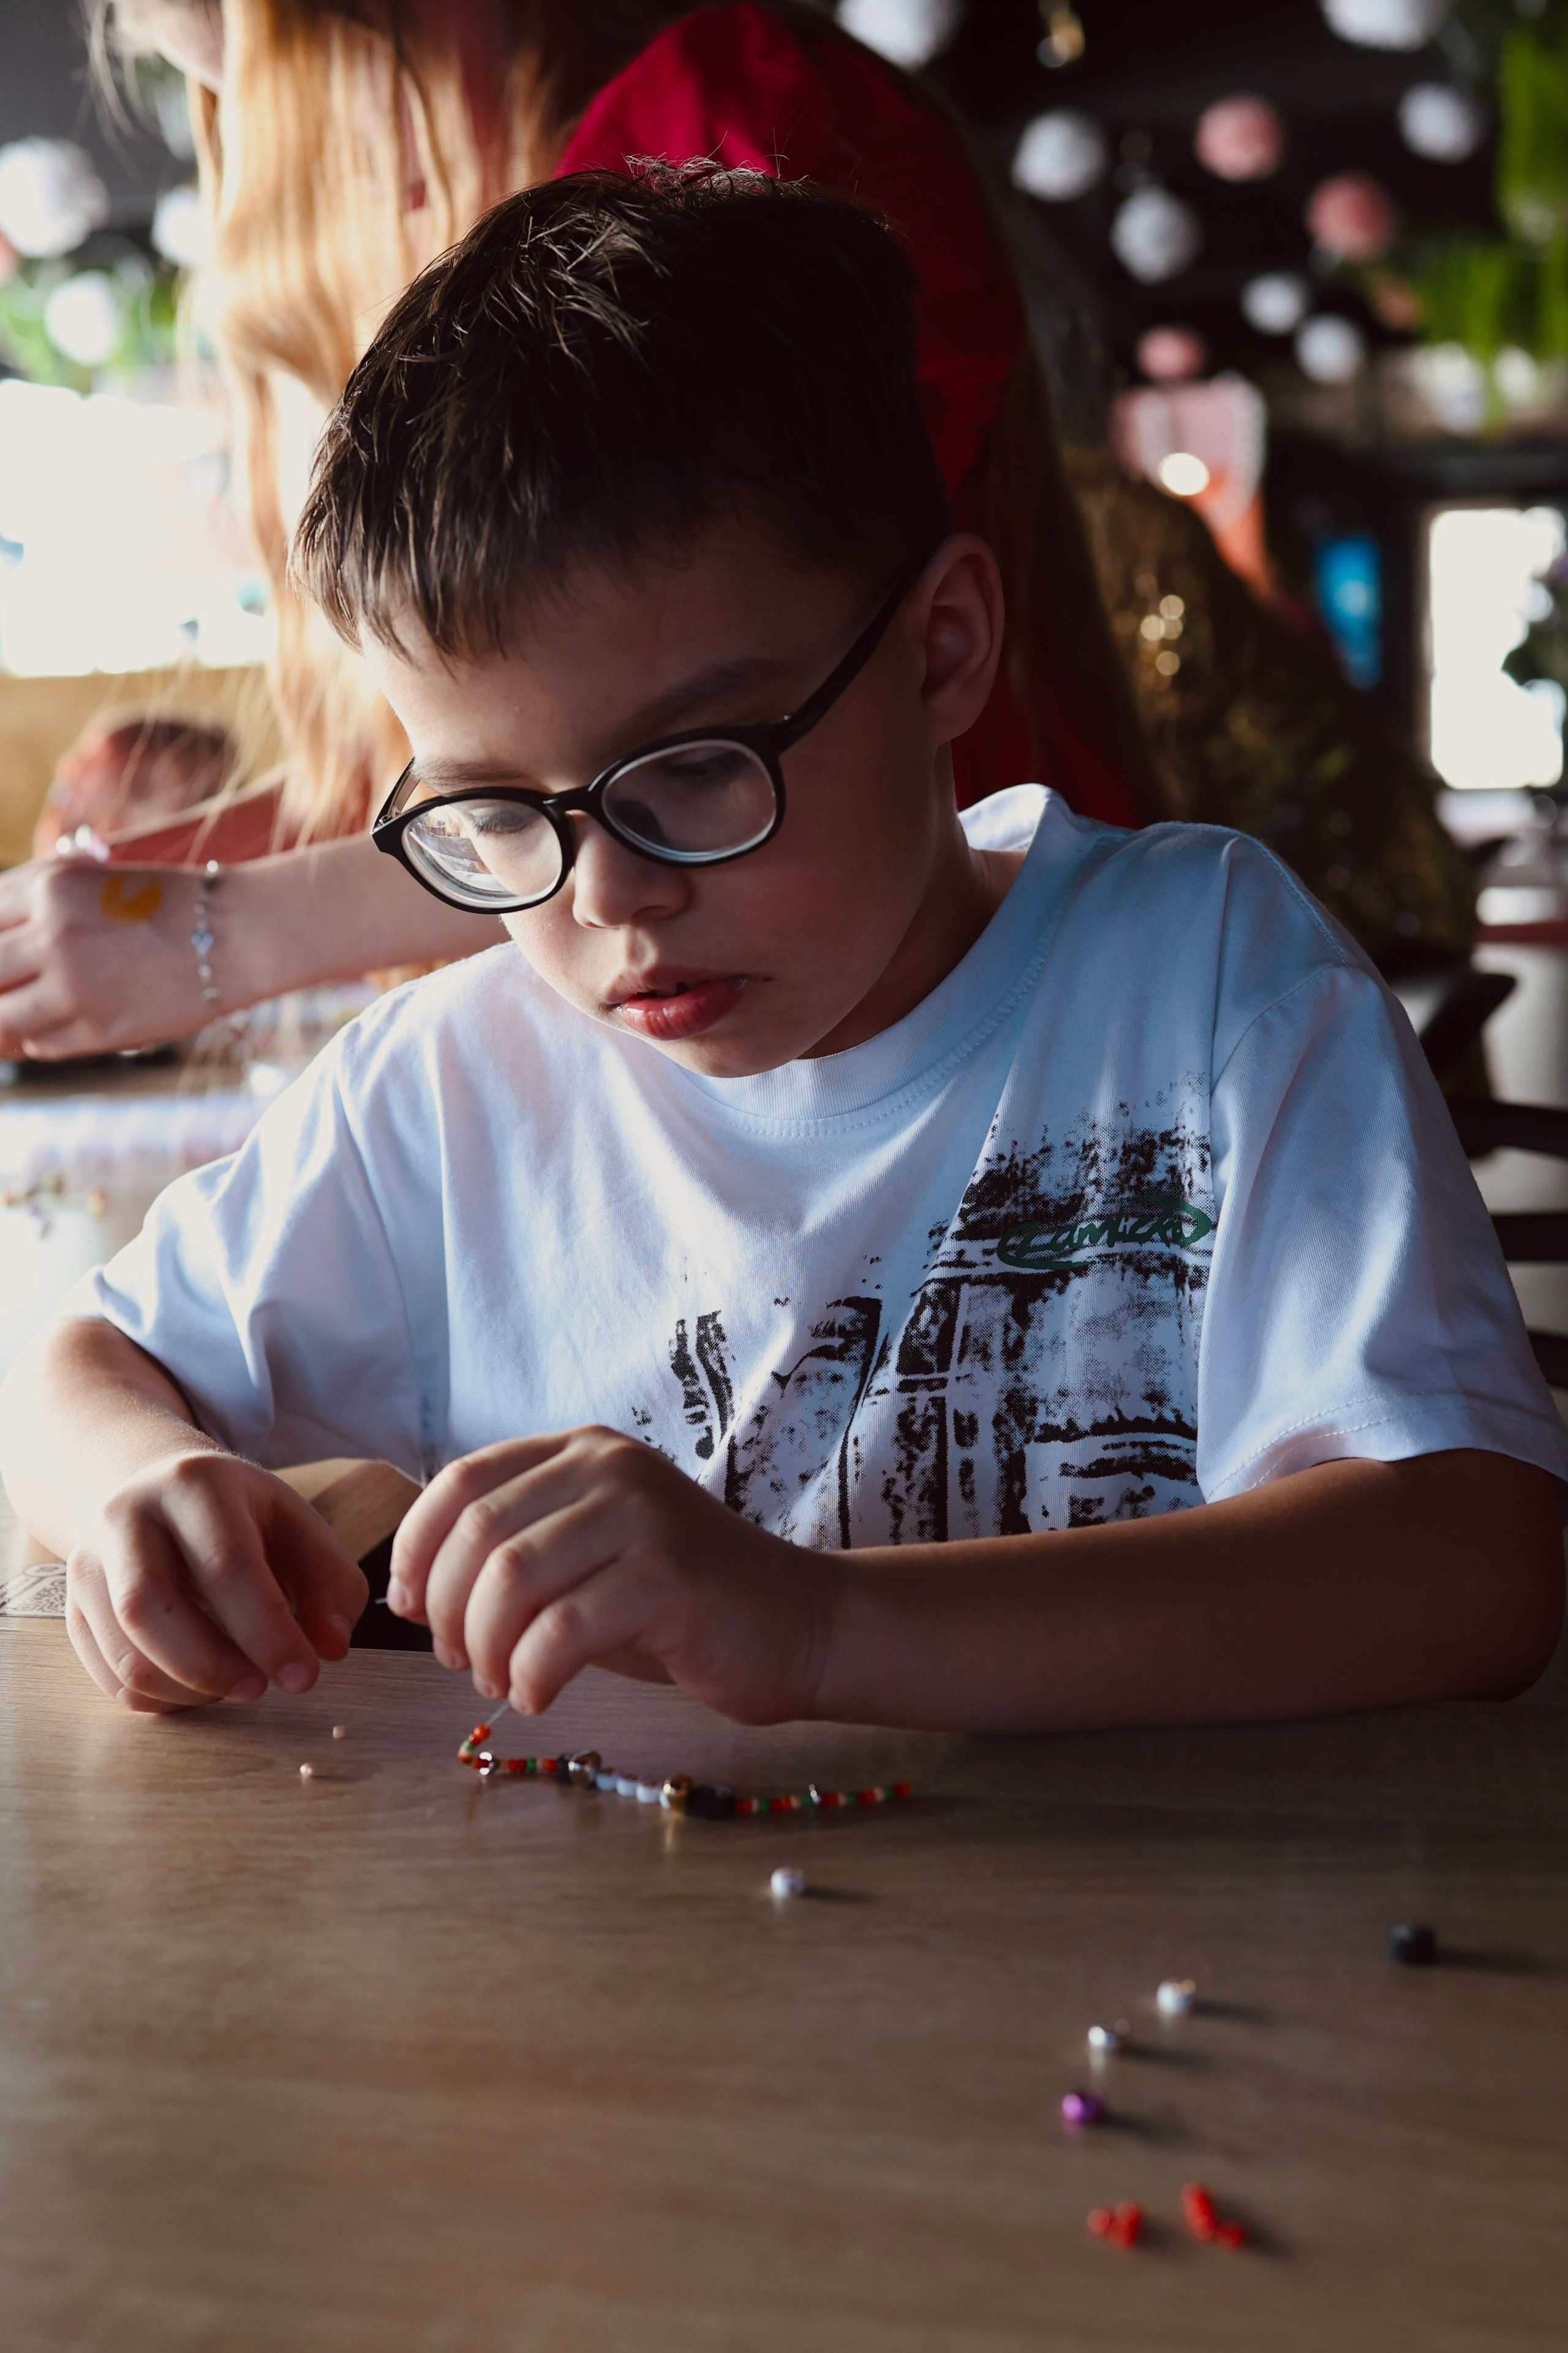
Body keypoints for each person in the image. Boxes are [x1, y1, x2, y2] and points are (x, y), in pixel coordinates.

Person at [2, 167, 1558, 1731]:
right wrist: (146, 1485)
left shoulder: (1202, 978)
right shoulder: (455, 1090)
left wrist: (815, 1628)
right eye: (491, 813)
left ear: (941, 649)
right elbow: (71, 1368)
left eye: (690, 769)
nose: (608, 898)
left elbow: (1473, 1562)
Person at [0, 0, 1474, 1062]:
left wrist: (220, 927)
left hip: (971, 1037)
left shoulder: (731, 120)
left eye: (264, 109)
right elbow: (557, 763)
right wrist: (156, 893)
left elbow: (678, 739)